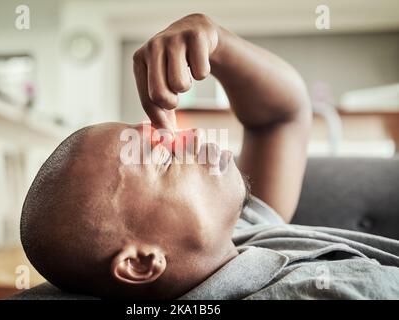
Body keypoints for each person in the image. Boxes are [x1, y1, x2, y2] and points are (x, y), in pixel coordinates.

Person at [20, 13, 399, 299]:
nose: (193, 136)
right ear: (140, 262)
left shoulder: (240, 232)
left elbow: (280, 118)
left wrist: (218, 42)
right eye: (163, 159)